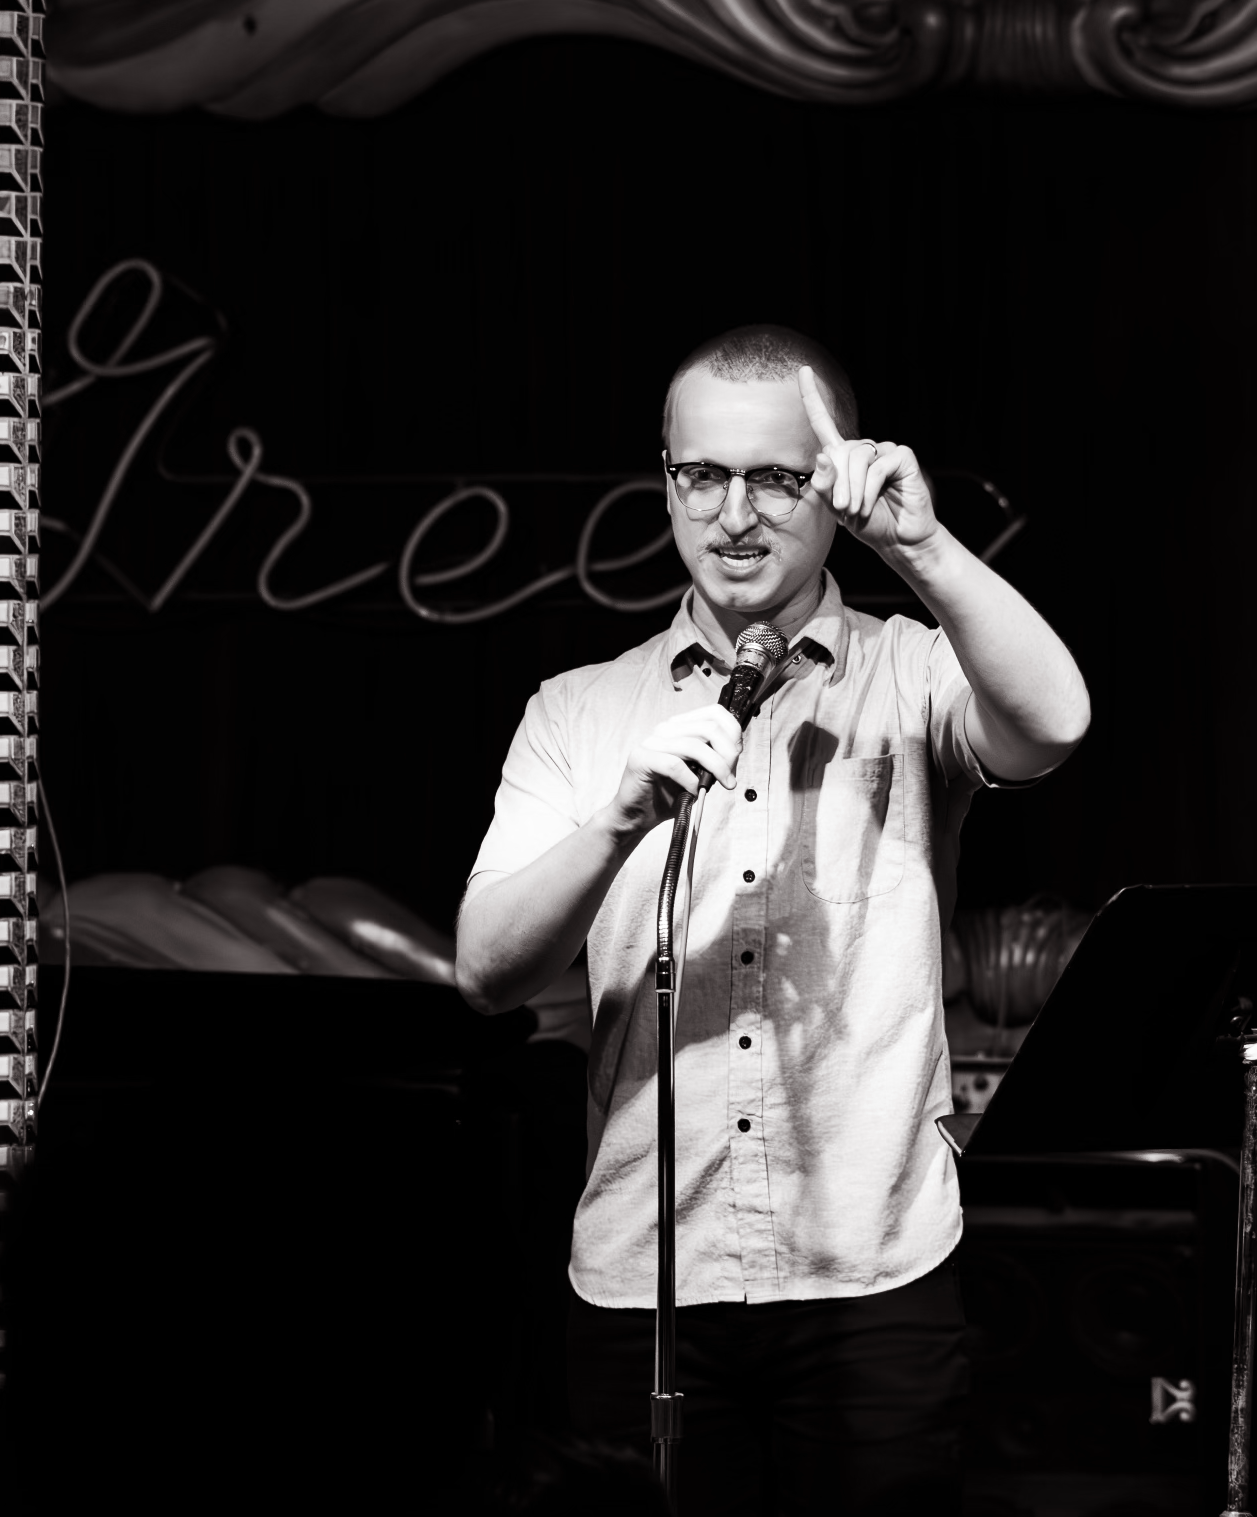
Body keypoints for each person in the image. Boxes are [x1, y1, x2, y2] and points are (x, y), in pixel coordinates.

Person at [457, 324, 1090, 1515]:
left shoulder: (907, 670)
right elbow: (486, 971)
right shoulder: (583, 709)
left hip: (870, 1271)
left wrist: (925, 544)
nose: (733, 511)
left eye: (775, 477)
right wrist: (615, 821)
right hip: (644, 1277)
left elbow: (1054, 723)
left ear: (833, 484)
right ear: (665, 480)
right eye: (702, 474)